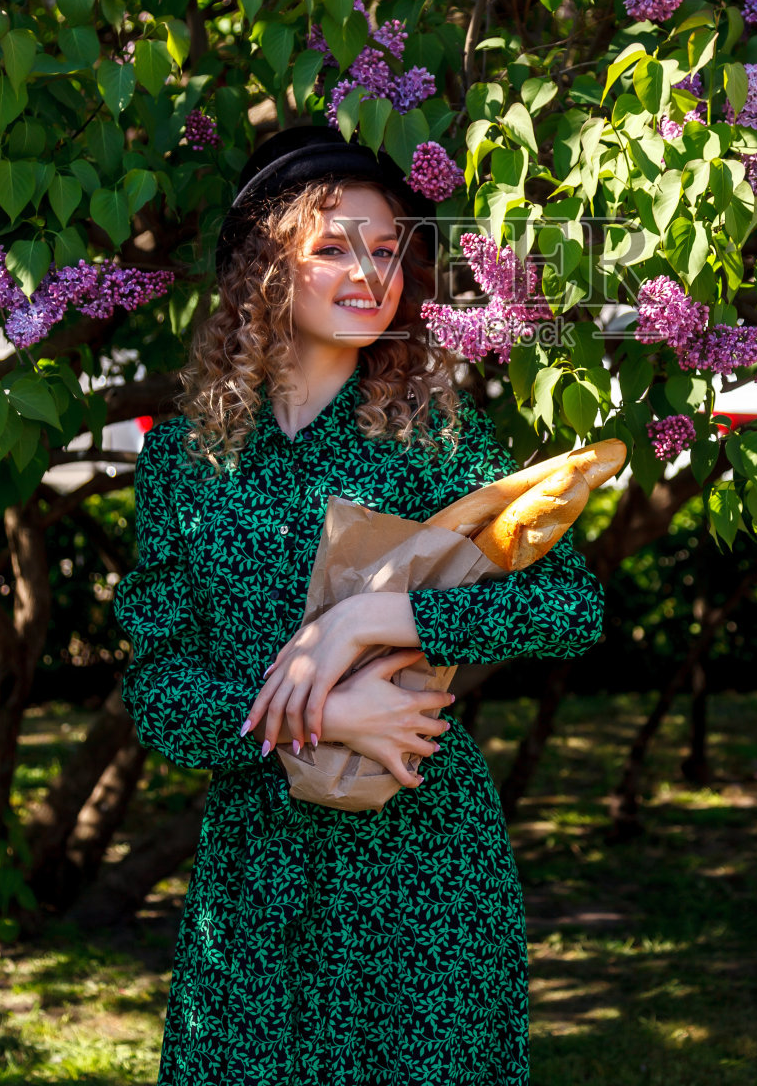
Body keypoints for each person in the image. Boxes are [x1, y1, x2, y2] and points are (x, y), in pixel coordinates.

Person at [114, 124, 606, 1086]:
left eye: (385, 251)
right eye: (333, 246)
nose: (368, 274)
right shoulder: (183, 462)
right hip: (258, 868)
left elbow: (570, 603)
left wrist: (381, 618)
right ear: (265, 268)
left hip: (422, 859)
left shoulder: (436, 439)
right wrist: (317, 715)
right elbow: (161, 691)